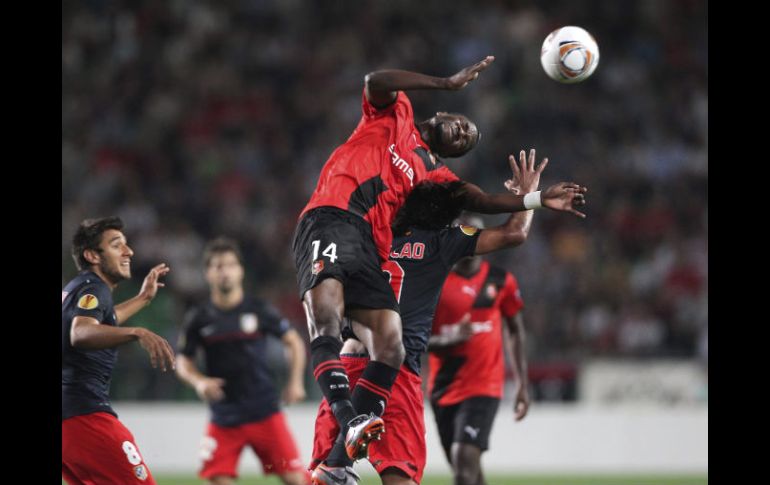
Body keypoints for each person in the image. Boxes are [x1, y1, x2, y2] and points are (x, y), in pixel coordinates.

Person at [292, 55, 587, 464]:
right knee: (327, 322)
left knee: (389, 346)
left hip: (396, 365)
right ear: (442, 112)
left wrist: (532, 198)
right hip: (335, 219)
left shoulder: (436, 204)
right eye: (464, 125)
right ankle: (346, 433)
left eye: (467, 139)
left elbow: (486, 206)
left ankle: (344, 446)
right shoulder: (396, 115)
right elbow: (376, 78)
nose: (464, 132)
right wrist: (445, 82)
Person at [310, 150, 580, 485]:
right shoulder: (441, 241)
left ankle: (335, 463)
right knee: (400, 477)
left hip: (349, 362)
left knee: (324, 477)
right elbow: (514, 234)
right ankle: (337, 464)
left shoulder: (369, 234)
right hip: (394, 373)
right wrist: (528, 198)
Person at [176, 237, 310, 485]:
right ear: (207, 273)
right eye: (217, 266)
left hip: (264, 411)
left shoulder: (258, 309)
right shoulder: (199, 318)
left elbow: (294, 341)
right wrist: (198, 382)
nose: (224, 271)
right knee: (217, 478)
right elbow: (183, 360)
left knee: (296, 479)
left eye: (229, 265)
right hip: (225, 415)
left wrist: (295, 382)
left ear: (240, 271)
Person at [62, 216, 176, 485]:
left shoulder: (77, 288)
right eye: (117, 245)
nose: (129, 252)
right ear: (92, 255)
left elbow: (103, 319)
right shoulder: (94, 288)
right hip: (85, 415)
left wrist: (143, 299)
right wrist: (138, 332)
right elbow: (80, 333)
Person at [427, 212, 533, 485]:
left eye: (474, 234)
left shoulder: (500, 281)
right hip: (443, 388)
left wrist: (522, 382)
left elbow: (515, 329)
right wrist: (449, 339)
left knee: (464, 461)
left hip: (484, 387)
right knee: (468, 471)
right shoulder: (433, 284)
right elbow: (413, 339)